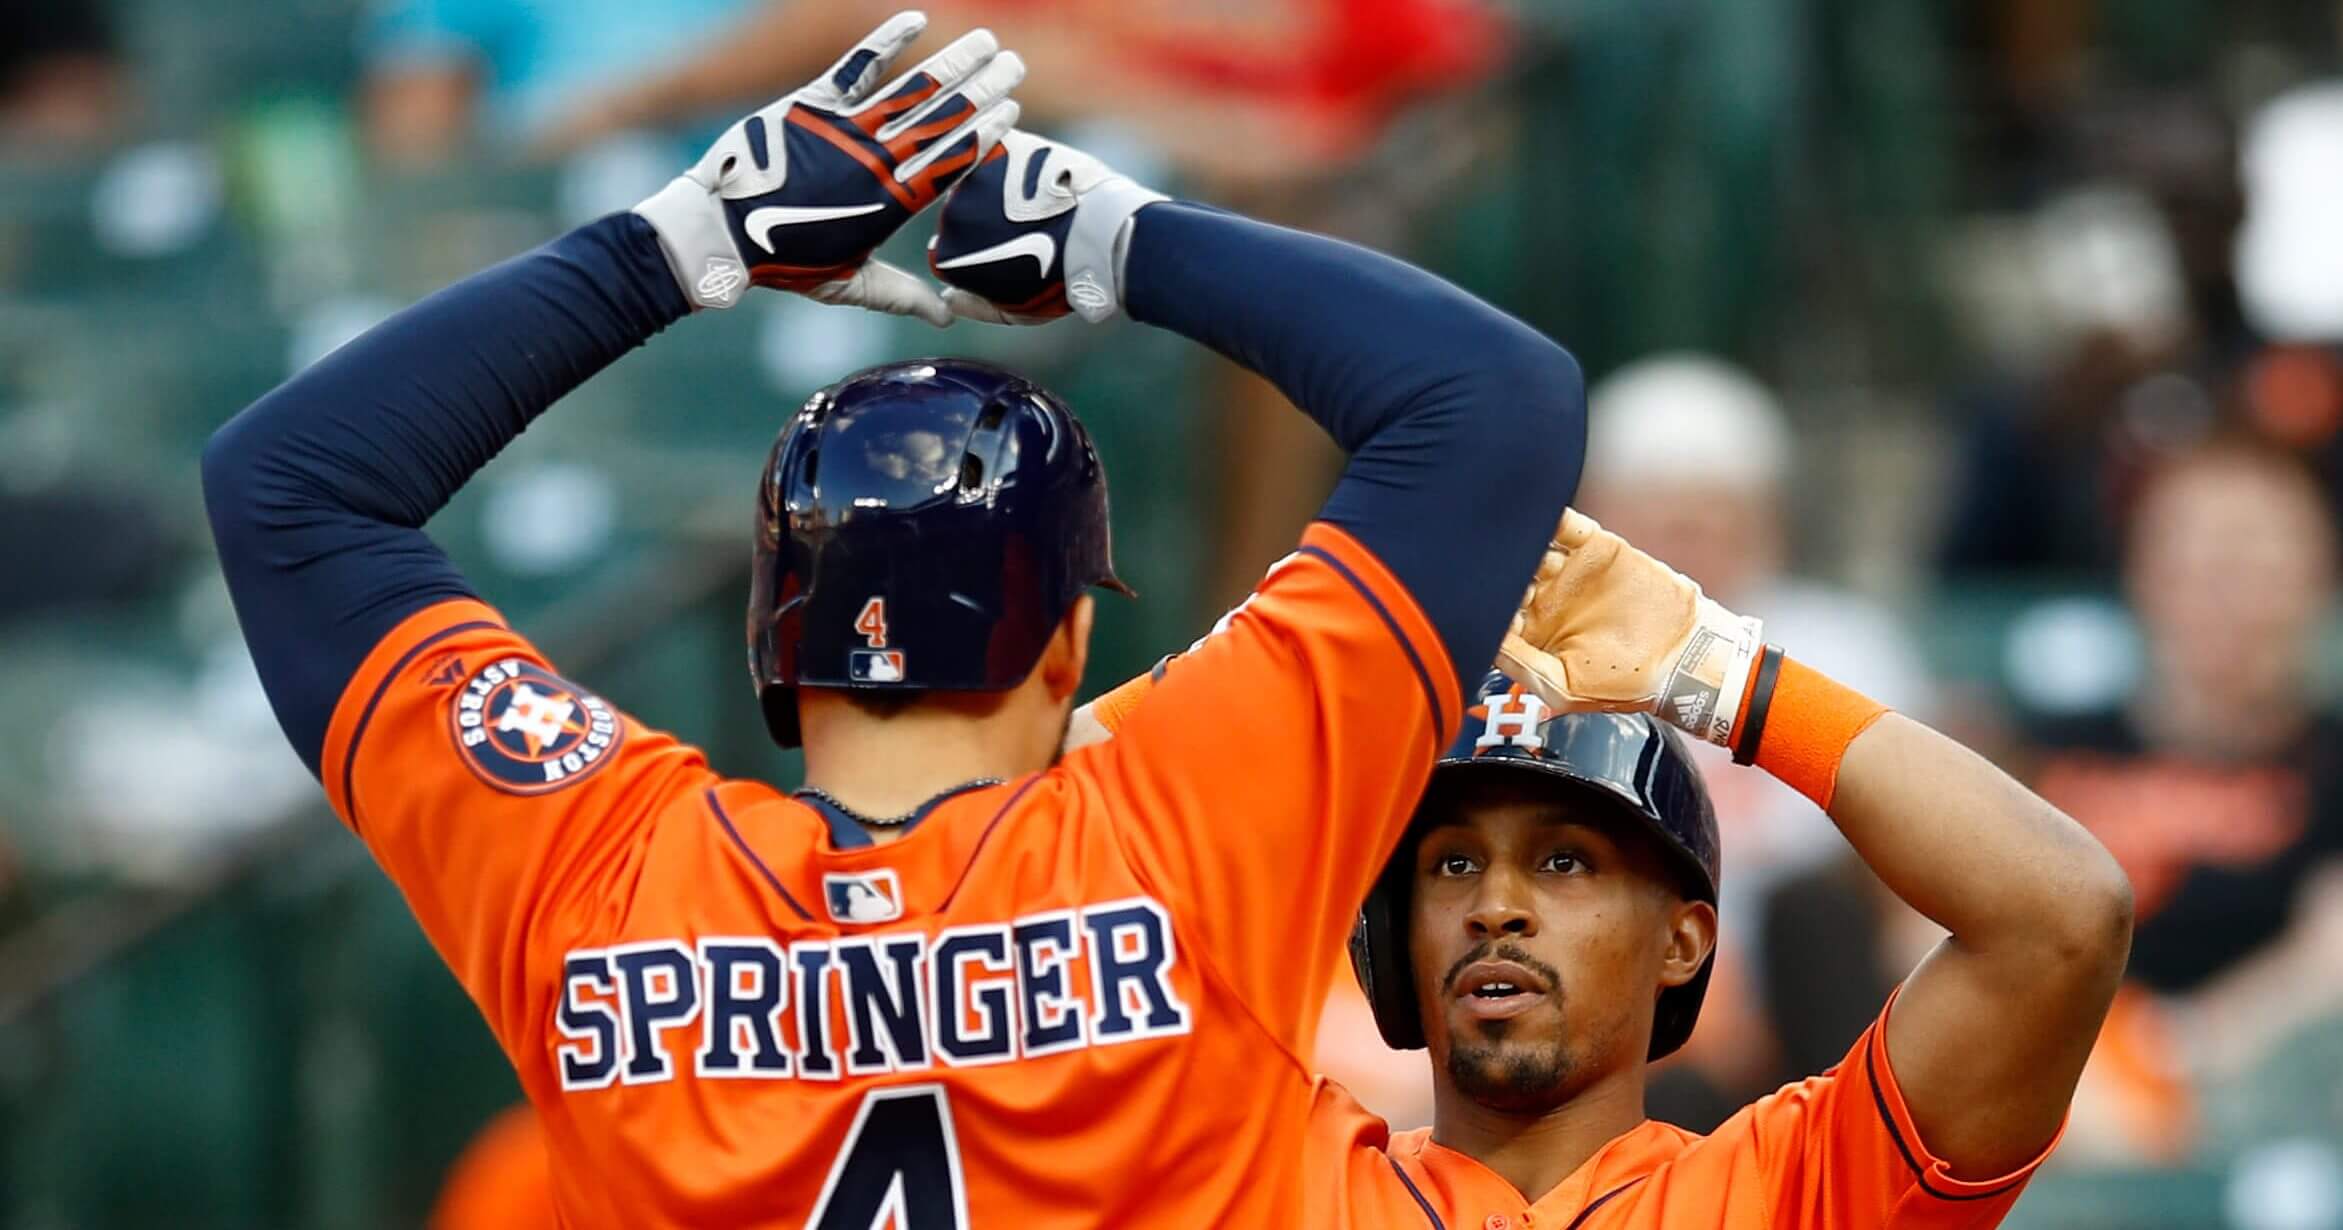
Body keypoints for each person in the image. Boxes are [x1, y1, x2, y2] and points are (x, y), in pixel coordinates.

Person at [204, 11, 1586, 1227]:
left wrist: (676, 247)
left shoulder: (599, 868)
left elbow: (287, 485)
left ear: (769, 642)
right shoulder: (1188, 820)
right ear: (1066, 642)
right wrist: (1116, 235)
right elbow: (1490, 396)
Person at [1078, 509, 2133, 1226]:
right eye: (1449, 866)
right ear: (1386, 935)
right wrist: (1243, 685)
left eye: (1565, 861)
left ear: (1686, 938)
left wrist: (1730, 681)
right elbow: (960, 847)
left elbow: (2063, 915)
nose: (1497, 906)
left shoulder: (1789, 1191)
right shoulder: (1264, 1177)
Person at [2028, 436, 2343, 1163]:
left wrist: (2185, 1049)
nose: (2225, 594)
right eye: (2200, 561)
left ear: (2315, 580)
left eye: (2255, 563)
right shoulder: (2048, 750)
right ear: (2144, 573)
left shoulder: (2331, 762)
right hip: (2059, 1088)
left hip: (2271, 1094)